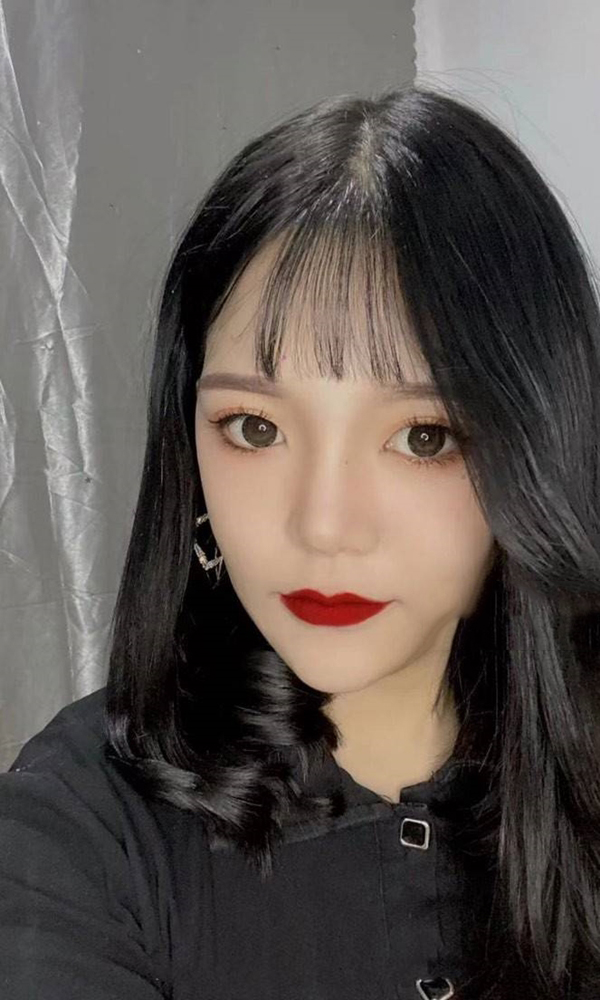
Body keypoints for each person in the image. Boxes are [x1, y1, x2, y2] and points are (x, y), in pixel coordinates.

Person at [2, 85, 600, 1000]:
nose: (323, 525)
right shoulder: (79, 833)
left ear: (538, 447)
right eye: (254, 428)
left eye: (424, 436)